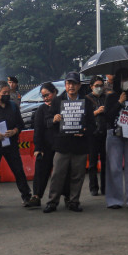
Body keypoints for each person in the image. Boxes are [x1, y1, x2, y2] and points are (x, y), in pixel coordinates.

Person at [44, 71, 95, 213]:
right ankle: (52, 201)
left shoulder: (86, 102)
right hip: (62, 145)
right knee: (57, 175)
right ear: (65, 85)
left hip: (80, 145)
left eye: (73, 83)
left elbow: (92, 125)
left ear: (79, 85)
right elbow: (47, 121)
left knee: (77, 175)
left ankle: (74, 201)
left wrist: (84, 130)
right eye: (68, 83)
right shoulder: (57, 101)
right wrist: (54, 119)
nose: (71, 86)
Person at [0, 80, 31, 207]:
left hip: (11, 144)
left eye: (8, 92)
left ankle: (26, 196)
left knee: (18, 169)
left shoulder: (13, 107)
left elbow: (20, 124)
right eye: (4, 93)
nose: (6, 95)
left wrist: (15, 131)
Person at [104, 67, 128, 208]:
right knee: (114, 168)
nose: (126, 82)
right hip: (114, 135)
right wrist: (119, 103)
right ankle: (115, 200)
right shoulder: (111, 97)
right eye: (123, 80)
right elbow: (107, 117)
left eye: (127, 80)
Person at [30, 82, 59, 208]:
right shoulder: (41, 109)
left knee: (61, 174)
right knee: (41, 171)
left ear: (54, 93)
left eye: (47, 95)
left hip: (60, 145)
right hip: (46, 146)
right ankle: (36, 196)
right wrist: (38, 148)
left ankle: (68, 198)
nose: (46, 98)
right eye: (43, 96)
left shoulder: (62, 106)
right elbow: (38, 129)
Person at [87, 75, 108, 196]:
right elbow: (84, 116)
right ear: (91, 87)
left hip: (105, 133)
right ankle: (93, 187)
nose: (99, 88)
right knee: (93, 163)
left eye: (101, 86)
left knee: (105, 162)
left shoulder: (107, 98)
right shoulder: (87, 99)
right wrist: (96, 111)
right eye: (97, 86)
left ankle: (105, 187)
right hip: (92, 134)